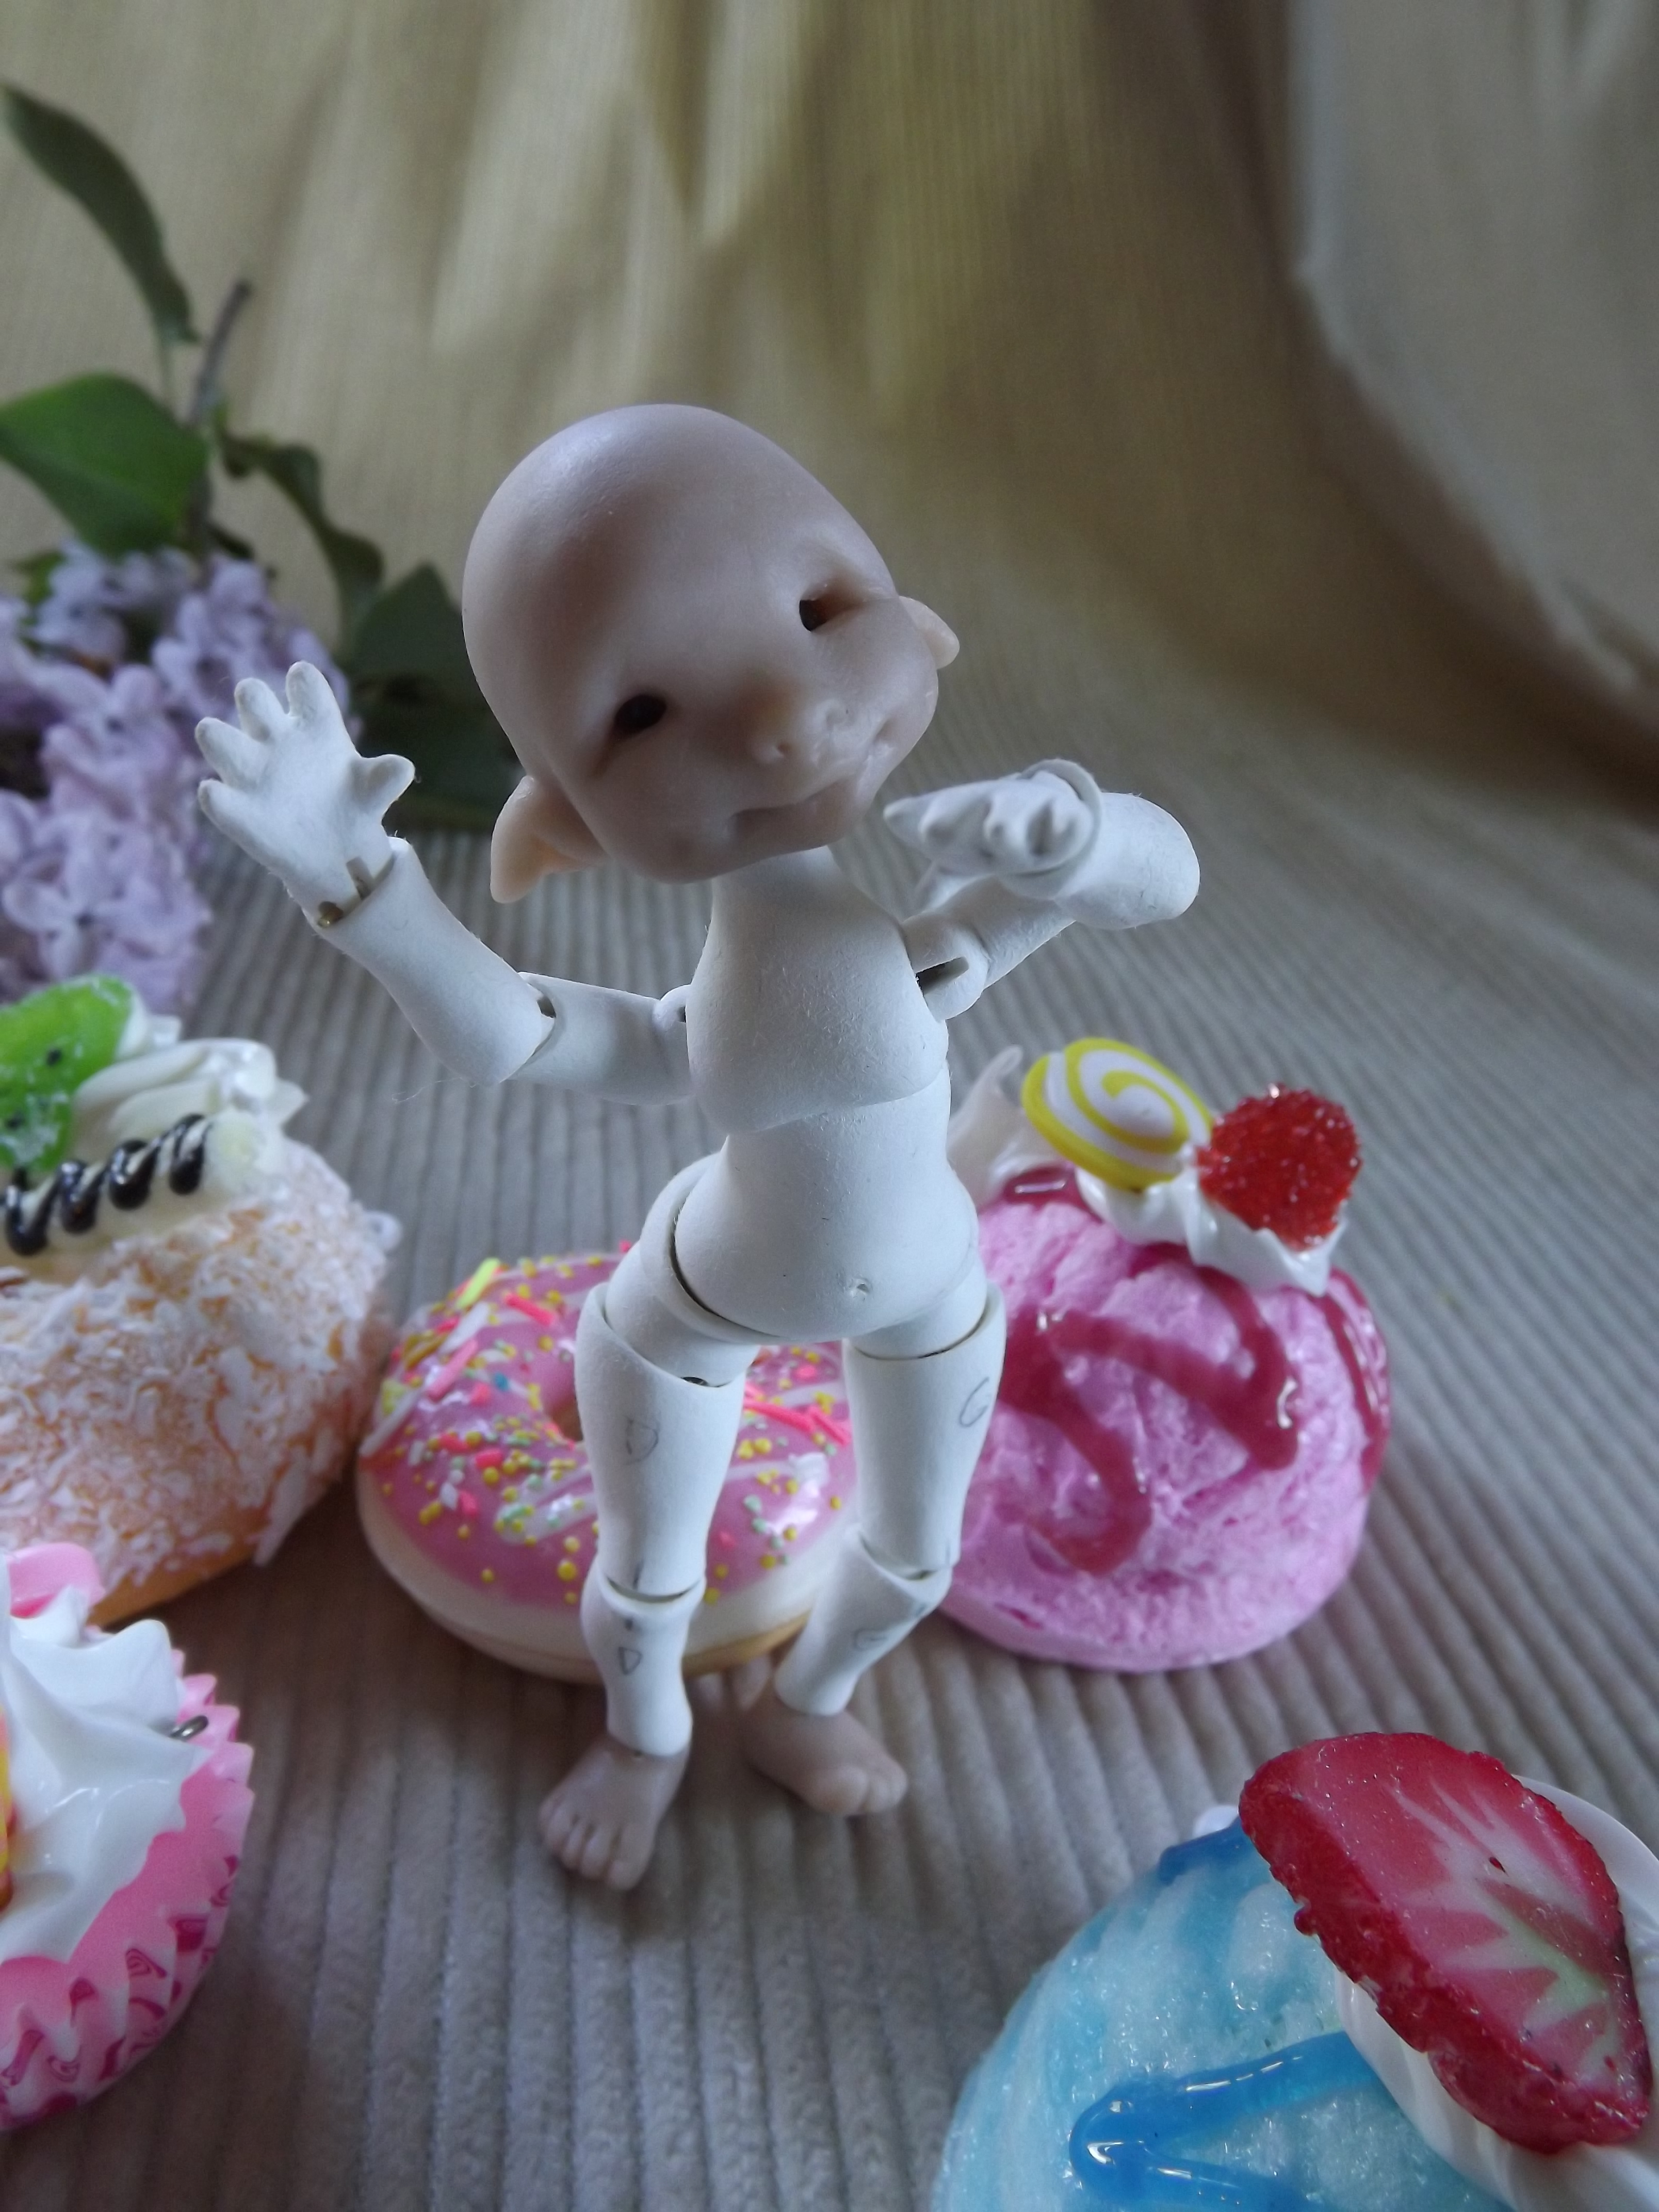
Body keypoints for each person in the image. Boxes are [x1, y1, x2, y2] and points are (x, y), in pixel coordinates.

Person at [196, 404, 1198, 1888]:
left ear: (910, 610)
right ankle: (645, 1741)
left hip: (935, 1293)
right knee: (648, 1576)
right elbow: (515, 1034)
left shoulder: (924, 958)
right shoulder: (718, 1014)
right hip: (694, 1311)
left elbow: (1158, 884)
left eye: (821, 611)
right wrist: (363, 887)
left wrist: (1083, 839)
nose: (786, 717)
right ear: (562, 823)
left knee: (915, 1555)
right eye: (645, 714)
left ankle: (808, 1704)